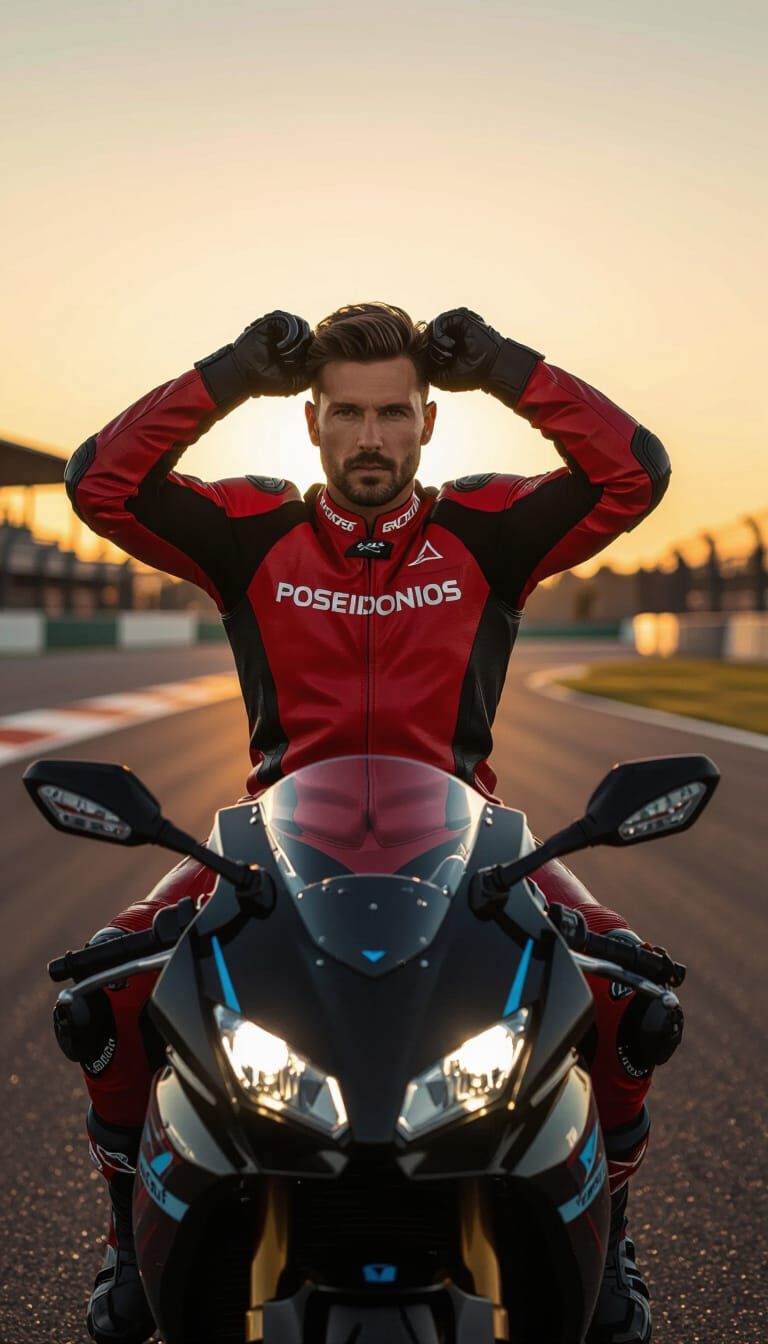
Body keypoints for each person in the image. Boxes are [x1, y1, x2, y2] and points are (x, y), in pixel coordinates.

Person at [63, 303, 675, 1344]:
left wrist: (507, 367)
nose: (371, 438)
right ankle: (130, 1239)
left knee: (633, 995)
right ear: (310, 421)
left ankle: (609, 1237)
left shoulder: (489, 528)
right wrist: (227, 373)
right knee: (104, 993)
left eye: (394, 413)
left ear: (430, 420)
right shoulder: (251, 530)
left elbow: (635, 474)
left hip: (472, 840)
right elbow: (99, 484)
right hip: (271, 841)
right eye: (347, 413)